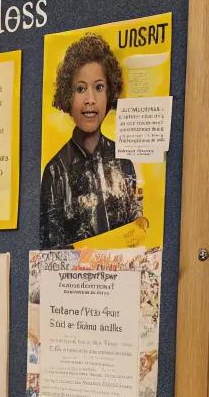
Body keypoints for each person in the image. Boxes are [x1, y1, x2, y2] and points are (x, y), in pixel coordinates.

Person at [40, 33, 141, 247]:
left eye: (99, 87)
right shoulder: (55, 171)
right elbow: (50, 250)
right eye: (80, 89)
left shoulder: (124, 162)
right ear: (68, 96)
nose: (91, 100)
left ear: (110, 93)